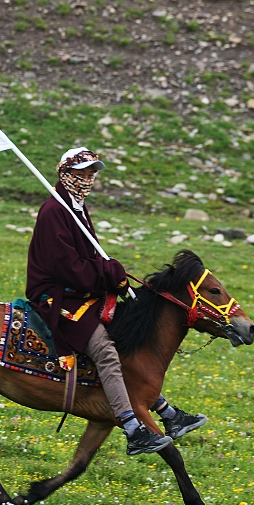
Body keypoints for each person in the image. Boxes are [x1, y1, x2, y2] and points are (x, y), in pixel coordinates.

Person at [25, 147, 208, 455]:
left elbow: (88, 259)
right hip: (57, 295)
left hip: (80, 292)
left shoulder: (76, 207)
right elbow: (68, 268)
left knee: (126, 334)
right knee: (107, 351)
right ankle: (133, 427)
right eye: (80, 174)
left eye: (91, 173)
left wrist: (112, 273)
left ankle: (167, 412)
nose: (86, 180)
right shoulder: (54, 210)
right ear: (64, 175)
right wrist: (109, 273)